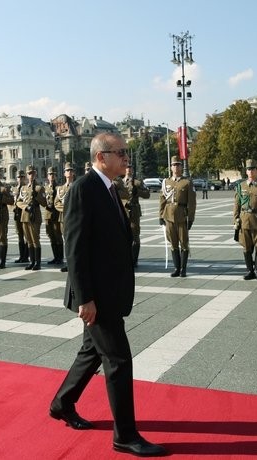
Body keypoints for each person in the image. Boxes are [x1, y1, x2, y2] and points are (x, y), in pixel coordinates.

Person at [49, 132, 166, 457]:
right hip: (95, 297)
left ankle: (62, 403)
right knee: (117, 360)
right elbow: (74, 248)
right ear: (102, 157)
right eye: (121, 152)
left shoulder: (110, 188)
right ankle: (125, 435)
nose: (127, 157)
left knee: (91, 353)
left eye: (126, 152)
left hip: (108, 293)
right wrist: (85, 298)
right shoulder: (83, 189)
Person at [159, 156, 196, 277]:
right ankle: (176, 268)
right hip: (169, 215)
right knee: (173, 243)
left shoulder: (187, 182)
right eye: (173, 165)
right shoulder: (166, 182)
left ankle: (183, 269)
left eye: (178, 165)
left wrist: (190, 218)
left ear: (181, 167)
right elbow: (162, 200)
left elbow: (192, 202)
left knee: (184, 243)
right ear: (170, 167)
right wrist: (160, 215)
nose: (176, 167)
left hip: (182, 216)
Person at [235, 159, 257, 280]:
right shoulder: (241, 186)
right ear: (246, 171)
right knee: (246, 247)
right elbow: (237, 204)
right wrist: (235, 220)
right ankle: (250, 271)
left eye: (252, 169)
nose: (250, 171)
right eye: (248, 169)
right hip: (244, 220)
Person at [16, 165, 47, 270]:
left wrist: (37, 196)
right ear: (26, 175)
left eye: (33, 173)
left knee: (35, 240)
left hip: (35, 216)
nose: (31, 175)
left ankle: (37, 262)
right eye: (29, 173)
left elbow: (44, 203)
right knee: (28, 240)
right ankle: (32, 261)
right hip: (25, 216)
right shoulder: (23, 188)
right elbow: (18, 202)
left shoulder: (39, 188)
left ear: (35, 174)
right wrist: (26, 207)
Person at [119, 164, 150, 267]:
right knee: (123, 236)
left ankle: (134, 259)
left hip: (134, 211)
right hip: (123, 211)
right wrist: (124, 203)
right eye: (126, 167)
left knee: (135, 236)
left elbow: (147, 194)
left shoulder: (137, 182)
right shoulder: (120, 182)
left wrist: (138, 192)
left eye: (130, 167)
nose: (128, 169)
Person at [54, 162, 75, 273]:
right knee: (66, 241)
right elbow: (56, 203)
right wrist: (66, 208)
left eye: (71, 170)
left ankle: (74, 263)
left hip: (74, 219)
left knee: (74, 241)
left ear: (74, 173)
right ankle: (68, 263)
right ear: (64, 173)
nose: (69, 172)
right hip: (63, 218)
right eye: (67, 170)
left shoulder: (77, 186)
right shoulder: (60, 188)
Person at [44, 166, 64, 266]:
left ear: (55, 176)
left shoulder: (58, 188)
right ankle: (55, 257)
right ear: (47, 176)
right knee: (51, 236)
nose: (52, 176)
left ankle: (60, 257)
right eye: (50, 174)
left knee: (58, 236)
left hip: (56, 214)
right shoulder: (45, 188)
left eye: (53, 174)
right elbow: (43, 200)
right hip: (48, 214)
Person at [11, 170, 29, 264]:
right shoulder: (14, 189)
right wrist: (13, 207)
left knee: (26, 235)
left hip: (24, 212)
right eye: (19, 177)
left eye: (22, 177)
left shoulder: (26, 188)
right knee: (20, 235)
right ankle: (21, 256)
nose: (20, 179)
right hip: (16, 214)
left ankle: (26, 256)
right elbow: (11, 201)